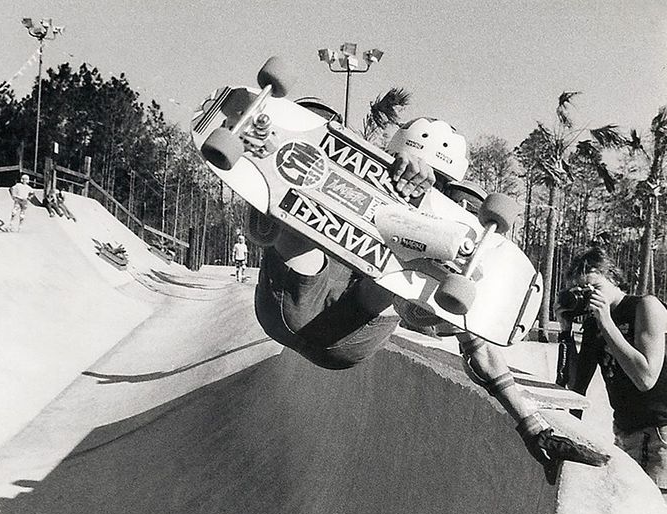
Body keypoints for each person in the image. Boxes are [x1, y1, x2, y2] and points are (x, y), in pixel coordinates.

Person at [253, 101, 609, 483]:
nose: (417, 180)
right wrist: (530, 425)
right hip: (316, 307)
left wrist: (536, 427)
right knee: (321, 210)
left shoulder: (446, 232)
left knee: (417, 267)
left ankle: (413, 244)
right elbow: (481, 357)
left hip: (335, 324)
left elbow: (479, 345)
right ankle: (284, 175)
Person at [556, 246, 667, 495]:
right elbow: (576, 387)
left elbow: (645, 378)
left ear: (614, 278)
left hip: (660, 435)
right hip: (626, 433)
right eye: (580, 292)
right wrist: (565, 331)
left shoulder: (646, 307)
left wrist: (606, 322)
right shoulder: (595, 324)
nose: (589, 296)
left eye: (594, 287)